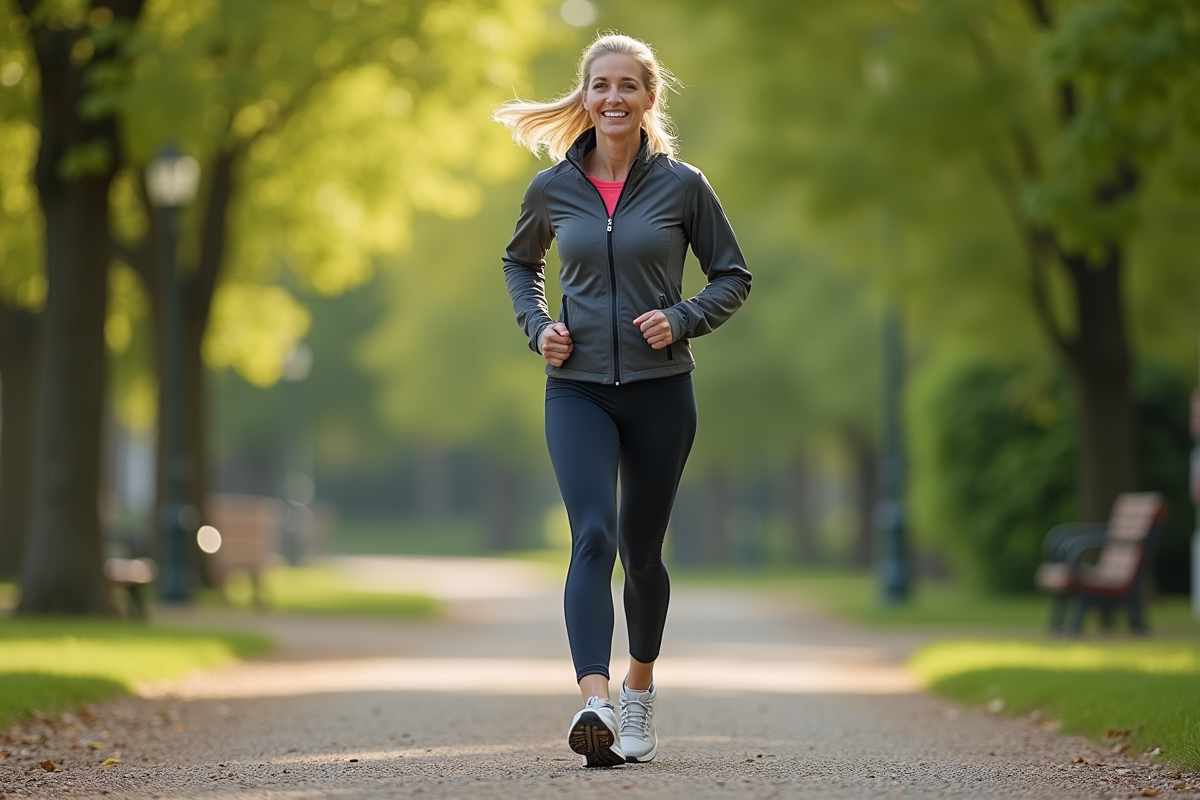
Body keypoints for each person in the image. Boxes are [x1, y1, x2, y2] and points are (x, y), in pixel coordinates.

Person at [494, 32, 751, 768]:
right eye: (599, 85)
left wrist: (682, 317)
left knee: (641, 553)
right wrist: (538, 326)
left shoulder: (683, 186)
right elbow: (519, 263)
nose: (612, 97)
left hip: (660, 392)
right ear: (585, 97)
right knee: (593, 537)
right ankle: (596, 701)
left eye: (627, 86)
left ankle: (639, 686)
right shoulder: (552, 188)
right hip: (575, 391)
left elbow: (732, 274)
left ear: (648, 99)